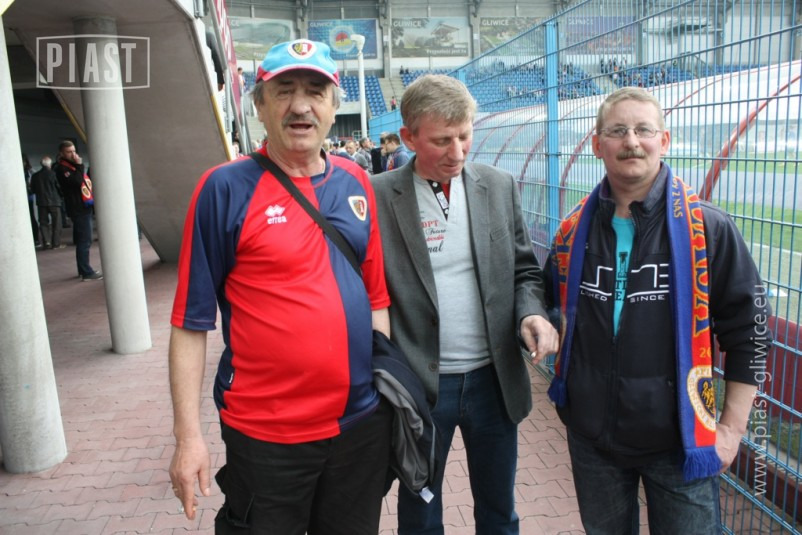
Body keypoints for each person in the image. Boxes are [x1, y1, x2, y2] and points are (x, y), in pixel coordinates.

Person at [168, 38, 393, 534]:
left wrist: (388, 393)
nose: (300, 105)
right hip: (266, 436)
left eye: (315, 91)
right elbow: (190, 323)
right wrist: (188, 437)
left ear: (333, 106)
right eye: (284, 90)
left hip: (359, 428)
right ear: (259, 104)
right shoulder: (223, 188)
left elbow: (376, 298)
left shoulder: (356, 182)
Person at [544, 87, 770, 534]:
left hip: (679, 442)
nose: (632, 141)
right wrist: (538, 320)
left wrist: (730, 432)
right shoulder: (572, 231)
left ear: (663, 141)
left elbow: (751, 332)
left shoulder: (708, 228)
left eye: (643, 130)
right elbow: (549, 301)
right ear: (597, 144)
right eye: (617, 131)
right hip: (592, 438)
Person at [372, 74, 559, 534]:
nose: (457, 152)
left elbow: (524, 271)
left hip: (493, 382)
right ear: (409, 137)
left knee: (499, 510)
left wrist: (531, 313)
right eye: (442, 141)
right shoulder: (376, 196)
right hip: (419, 386)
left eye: (464, 136)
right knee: (420, 513)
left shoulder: (498, 186)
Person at [54, 141, 102, 281]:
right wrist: (80, 165)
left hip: (83, 206)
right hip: (77, 207)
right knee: (84, 241)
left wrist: (77, 166)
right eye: (69, 152)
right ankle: (86, 272)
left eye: (74, 151)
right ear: (62, 153)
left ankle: (83, 269)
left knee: (84, 239)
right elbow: (77, 181)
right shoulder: (62, 168)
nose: (73, 154)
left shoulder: (71, 166)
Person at [30, 155, 64, 249]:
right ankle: (56, 243)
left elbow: (33, 189)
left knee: (43, 222)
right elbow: (59, 187)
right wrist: (61, 196)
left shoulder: (35, 176)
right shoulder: (53, 174)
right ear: (50, 164)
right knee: (57, 223)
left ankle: (47, 241)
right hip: (54, 201)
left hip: (41, 202)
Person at [22, 154, 40, 247]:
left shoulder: (30, 171)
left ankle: (36, 238)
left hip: (29, 197)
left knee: (31, 217)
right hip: (23, 197)